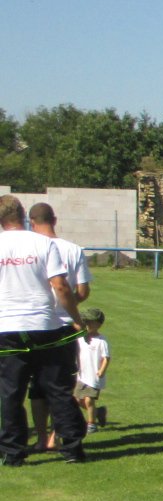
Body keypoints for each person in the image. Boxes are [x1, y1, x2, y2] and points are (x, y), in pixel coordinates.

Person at [0, 195, 85, 465]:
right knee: (57, 389)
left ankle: (13, 453)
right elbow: (60, 286)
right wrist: (76, 318)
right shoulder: (43, 243)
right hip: (44, 325)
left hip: (7, 327)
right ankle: (71, 448)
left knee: (10, 393)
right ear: (22, 215)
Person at [25, 202, 90, 451]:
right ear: (54, 219)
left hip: (33, 323)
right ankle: (57, 436)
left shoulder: (29, 247)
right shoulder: (73, 249)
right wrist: (70, 306)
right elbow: (82, 290)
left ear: (31, 222)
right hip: (64, 325)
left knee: (36, 387)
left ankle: (42, 438)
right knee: (60, 385)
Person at [75, 307, 109, 433]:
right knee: (77, 400)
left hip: (94, 376)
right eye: (86, 322)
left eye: (90, 322)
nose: (87, 324)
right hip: (81, 375)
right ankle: (98, 412)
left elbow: (106, 358)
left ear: (98, 324)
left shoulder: (101, 340)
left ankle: (91, 424)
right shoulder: (80, 338)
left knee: (89, 400)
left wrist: (102, 371)